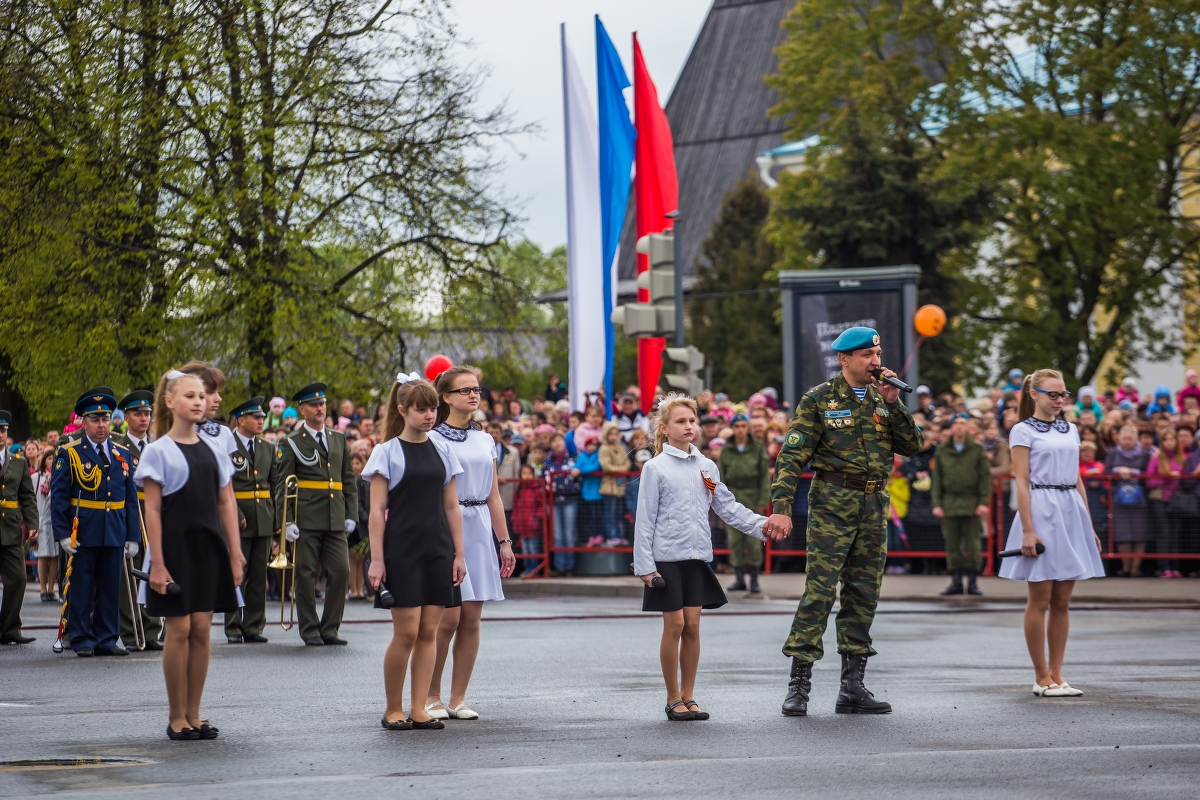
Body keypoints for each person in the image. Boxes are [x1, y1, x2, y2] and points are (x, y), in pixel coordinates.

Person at [763, 326, 923, 717]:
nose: (876, 361)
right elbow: (791, 456)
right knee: (819, 592)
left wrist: (895, 404)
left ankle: (852, 687)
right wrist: (781, 506)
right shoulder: (819, 399)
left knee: (863, 592)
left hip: (873, 502)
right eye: (867, 355)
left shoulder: (883, 399)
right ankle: (799, 684)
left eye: (878, 353)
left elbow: (914, 446)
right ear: (844, 359)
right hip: (833, 502)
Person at [634, 393, 767, 721]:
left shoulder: (707, 466)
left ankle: (689, 696)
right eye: (681, 421)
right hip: (665, 558)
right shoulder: (655, 468)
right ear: (664, 429)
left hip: (696, 557)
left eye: (692, 420)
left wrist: (764, 526)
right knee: (675, 625)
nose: (689, 426)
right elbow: (644, 519)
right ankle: (672, 697)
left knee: (692, 626)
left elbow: (727, 507)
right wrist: (645, 567)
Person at [137, 370, 243, 739]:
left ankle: (195, 713)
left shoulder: (215, 447)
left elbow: (226, 502)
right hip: (175, 547)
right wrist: (159, 563)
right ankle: (176, 715)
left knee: (202, 629)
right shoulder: (158, 451)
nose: (199, 401)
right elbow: (152, 510)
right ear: (170, 402)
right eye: (190, 396)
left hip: (209, 546)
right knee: (178, 628)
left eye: (202, 395)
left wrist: (235, 554)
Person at [363, 373, 466, 730]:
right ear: (403, 410)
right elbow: (376, 511)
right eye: (422, 409)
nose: (430, 416)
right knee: (405, 633)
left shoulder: (444, 449)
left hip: (438, 549)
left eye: (433, 409)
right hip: (401, 550)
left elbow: (452, 506)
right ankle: (394, 709)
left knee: (429, 633)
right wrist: (377, 560)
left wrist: (459, 554)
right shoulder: (385, 451)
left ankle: (419, 707)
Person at [998, 369, 1105, 696]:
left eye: (1063, 395)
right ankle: (1041, 676)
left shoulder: (1071, 429)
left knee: (1063, 600)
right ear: (1034, 394)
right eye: (1053, 394)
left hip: (1069, 509)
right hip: (1040, 508)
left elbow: (1077, 479)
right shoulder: (1021, 430)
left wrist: (1088, 524)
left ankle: (1058, 675)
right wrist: (1028, 531)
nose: (1059, 400)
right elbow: (1021, 483)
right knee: (1040, 598)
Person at [427, 366, 516, 721]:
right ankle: (430, 694)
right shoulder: (432, 438)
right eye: (464, 390)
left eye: (476, 389)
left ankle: (457, 697)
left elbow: (494, 495)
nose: (473, 395)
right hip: (447, 525)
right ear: (445, 397)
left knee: (471, 620)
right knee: (446, 619)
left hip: (479, 526)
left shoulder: (485, 439)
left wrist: (504, 541)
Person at [51, 388, 143, 656]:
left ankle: (106, 638)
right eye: (95, 420)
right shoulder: (70, 453)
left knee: (109, 587)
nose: (101, 425)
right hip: (83, 530)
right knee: (81, 587)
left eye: (105, 419)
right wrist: (62, 534)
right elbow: (58, 497)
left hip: (114, 528)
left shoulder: (122, 453)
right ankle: (81, 638)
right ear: (84, 421)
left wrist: (132, 535)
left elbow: (130, 499)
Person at [274, 383, 358, 646]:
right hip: (306, 516)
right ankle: (310, 628)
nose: (320, 408)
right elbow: (283, 484)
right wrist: (286, 521)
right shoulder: (290, 442)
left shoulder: (337, 438)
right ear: (302, 409)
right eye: (313, 405)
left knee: (341, 572)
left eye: (322, 404)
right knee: (305, 574)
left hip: (334, 516)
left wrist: (351, 513)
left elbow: (347, 479)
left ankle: (330, 628)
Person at [112, 389, 164, 651]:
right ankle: (132, 632)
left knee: (154, 571)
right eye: (138, 414)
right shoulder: (118, 447)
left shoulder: (156, 448)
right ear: (127, 417)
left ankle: (152, 630)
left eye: (147, 414)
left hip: (154, 513)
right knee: (129, 577)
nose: (144, 418)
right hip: (130, 514)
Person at [224, 397, 277, 644]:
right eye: (256, 418)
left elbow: (274, 485)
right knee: (237, 574)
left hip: (264, 516)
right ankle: (233, 625)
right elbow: (225, 486)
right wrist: (236, 513)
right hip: (238, 516)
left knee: (258, 575)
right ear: (241, 419)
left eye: (262, 418)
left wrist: (277, 518)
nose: (260, 421)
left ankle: (253, 625)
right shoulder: (227, 445)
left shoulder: (267, 447)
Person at [931, 413, 992, 596]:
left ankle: (972, 582)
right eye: (955, 423)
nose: (959, 426)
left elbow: (984, 478)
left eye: (962, 423)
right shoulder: (942, 450)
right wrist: (937, 503)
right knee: (952, 545)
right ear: (950, 427)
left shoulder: (977, 450)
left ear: (967, 427)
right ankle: (956, 581)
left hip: (972, 502)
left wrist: (983, 502)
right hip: (949, 502)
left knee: (973, 545)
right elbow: (937, 480)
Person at [718, 414, 770, 594]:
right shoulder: (727, 448)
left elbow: (764, 476)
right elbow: (721, 475)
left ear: (747, 428)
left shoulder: (757, 447)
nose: (740, 429)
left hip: (752, 494)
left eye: (743, 426)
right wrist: (721, 498)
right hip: (732, 494)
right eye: (737, 426)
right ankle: (739, 578)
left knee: (753, 539)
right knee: (735, 540)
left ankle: (754, 579)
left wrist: (763, 500)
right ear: (732, 428)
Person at [0, 410, 38, 645]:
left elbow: (27, 496)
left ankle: (10, 628)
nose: (0, 435)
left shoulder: (19, 462)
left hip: (11, 528)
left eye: (3, 430)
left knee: (18, 578)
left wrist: (32, 523)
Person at [1104, 424, 1151, 576]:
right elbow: (1106, 471)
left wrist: (1133, 472)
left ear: (1136, 439)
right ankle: (1125, 568)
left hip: (1139, 499)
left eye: (1130, 438)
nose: (1127, 441)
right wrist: (1117, 471)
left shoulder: (1145, 454)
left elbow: (1148, 473)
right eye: (1124, 438)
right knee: (1122, 533)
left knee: (1140, 534)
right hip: (1119, 498)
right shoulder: (1112, 453)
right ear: (1120, 439)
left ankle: (1135, 569)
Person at [1145, 428, 1186, 579]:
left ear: (1176, 441)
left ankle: (1175, 567)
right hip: (1159, 499)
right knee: (1164, 533)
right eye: (1165, 440)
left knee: (1175, 534)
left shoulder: (1182, 458)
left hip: (1177, 500)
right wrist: (1168, 477)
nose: (1169, 442)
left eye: (1171, 439)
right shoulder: (1156, 458)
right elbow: (1149, 481)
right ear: (1161, 442)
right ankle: (1164, 567)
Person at [545, 433, 579, 575]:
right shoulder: (547, 461)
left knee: (569, 534)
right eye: (554, 440)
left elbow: (576, 480)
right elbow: (544, 479)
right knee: (557, 535)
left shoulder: (573, 459)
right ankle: (560, 567)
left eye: (559, 440)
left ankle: (570, 567)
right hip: (552, 501)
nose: (557, 443)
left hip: (569, 500)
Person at [598, 421, 631, 545]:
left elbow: (627, 462)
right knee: (610, 513)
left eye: (615, 434)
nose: (613, 437)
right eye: (610, 434)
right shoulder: (604, 448)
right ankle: (612, 536)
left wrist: (622, 468)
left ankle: (620, 535)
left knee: (619, 513)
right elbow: (606, 466)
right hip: (609, 486)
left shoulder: (620, 447)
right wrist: (620, 469)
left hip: (620, 486)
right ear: (606, 435)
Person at [33, 449, 59, 602]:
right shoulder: (36, 477)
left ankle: (51, 588)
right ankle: (43, 589)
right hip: (41, 519)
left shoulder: (58, 476)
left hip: (54, 520)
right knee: (43, 555)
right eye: (49, 458)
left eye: (53, 458)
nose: (51, 461)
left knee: (55, 555)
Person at [511, 464, 545, 574]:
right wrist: (515, 519)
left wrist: (536, 518)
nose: (527, 476)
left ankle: (534, 570)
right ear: (520, 475)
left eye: (529, 473)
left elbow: (541, 506)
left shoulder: (537, 489)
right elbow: (515, 507)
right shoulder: (518, 490)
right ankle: (527, 569)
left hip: (533, 525)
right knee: (525, 549)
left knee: (533, 548)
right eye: (524, 473)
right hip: (522, 525)